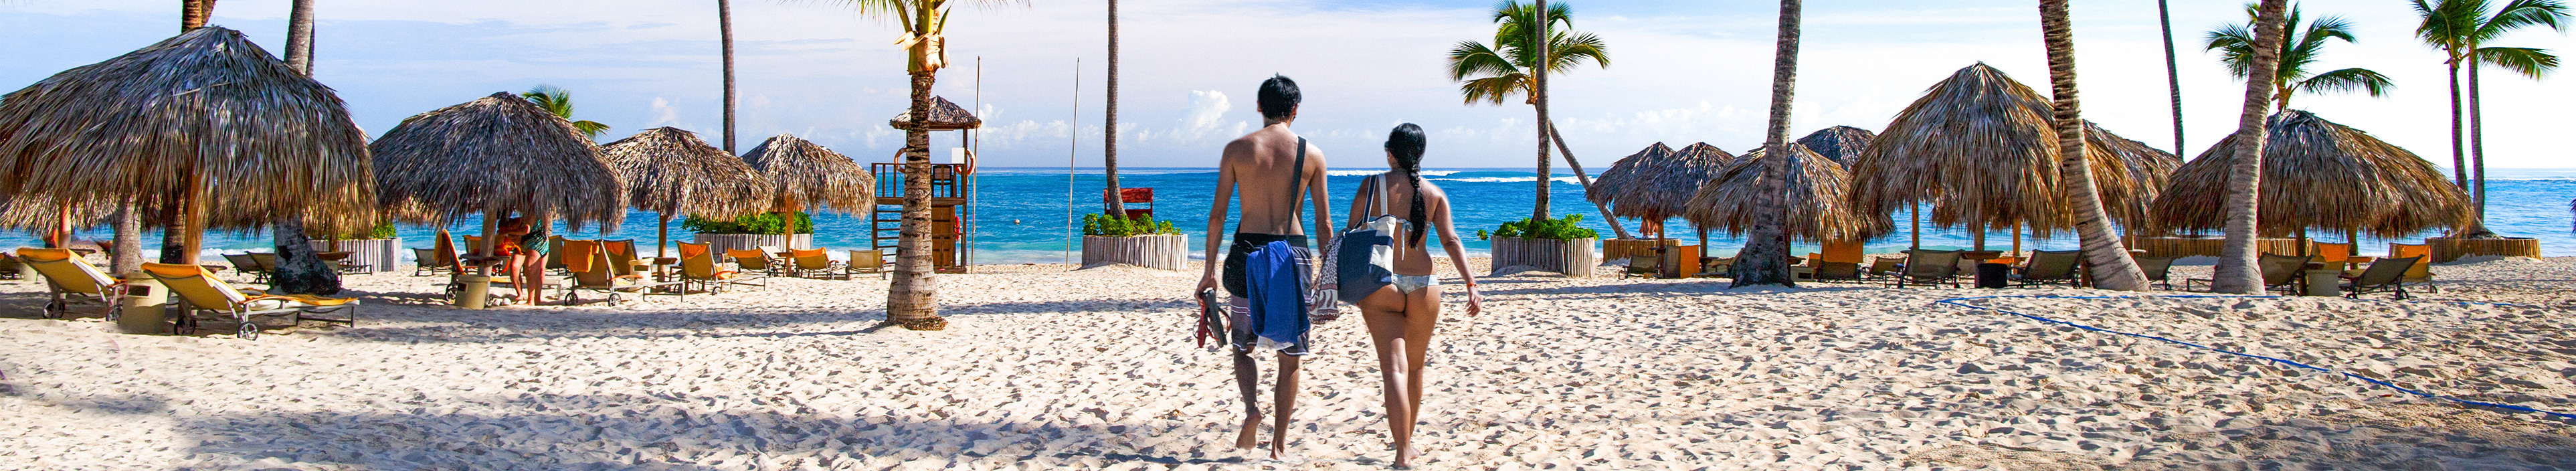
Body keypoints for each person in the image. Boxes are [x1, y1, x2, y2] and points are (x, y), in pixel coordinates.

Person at [1194, 74, 1333, 459]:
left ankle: (1252, 409)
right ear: (1295, 109)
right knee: (1291, 355)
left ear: (1259, 107)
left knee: (1243, 345)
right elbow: (1323, 222)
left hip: (1246, 253)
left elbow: (1218, 216)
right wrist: (1328, 272)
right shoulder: (1313, 155)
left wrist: (1208, 270)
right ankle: (1279, 444)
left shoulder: (1238, 150)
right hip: (1292, 255)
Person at [1344, 124, 1483, 468]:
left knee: (1394, 370)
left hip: (1381, 282)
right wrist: (1471, 283)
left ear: (1391, 152)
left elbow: (1351, 234)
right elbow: (1451, 241)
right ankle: (1410, 442)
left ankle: (1403, 451)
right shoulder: (1434, 193)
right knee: (1416, 368)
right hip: (1425, 286)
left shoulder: (1371, 186)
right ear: (1420, 154)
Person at [496, 213, 549, 304]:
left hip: (536, 242)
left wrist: (509, 231)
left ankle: (533, 300)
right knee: (519, 268)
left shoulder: (533, 212)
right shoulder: (521, 218)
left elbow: (526, 230)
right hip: (525, 244)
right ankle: (523, 296)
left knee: (532, 271)